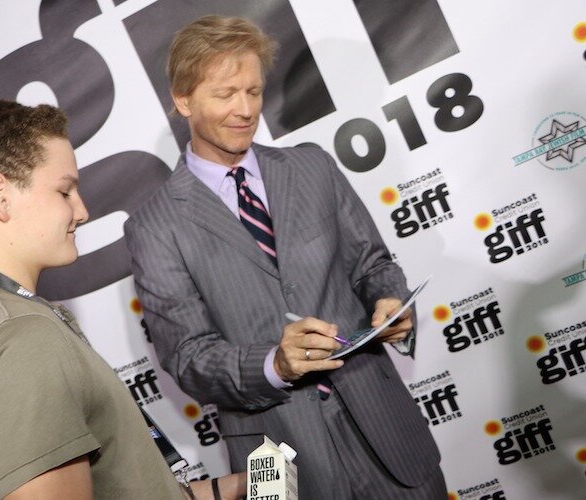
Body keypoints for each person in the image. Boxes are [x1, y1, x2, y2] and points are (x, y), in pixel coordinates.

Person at [124, 15, 446, 499]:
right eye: (226, 93)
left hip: (387, 433)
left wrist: (390, 302)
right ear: (183, 99)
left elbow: (373, 265)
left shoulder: (312, 167)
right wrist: (276, 363)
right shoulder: (154, 226)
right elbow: (188, 357)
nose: (245, 109)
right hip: (281, 457)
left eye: (253, 92)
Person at [0, 100, 245, 499]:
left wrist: (229, 489)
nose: (82, 210)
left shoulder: (16, 319)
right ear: (1, 196)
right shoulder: (20, 339)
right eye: (65, 190)